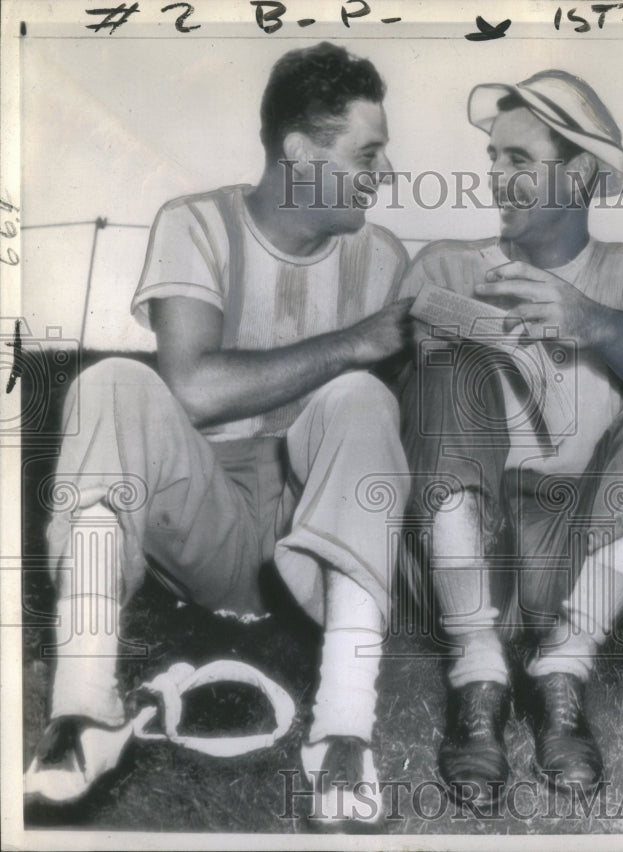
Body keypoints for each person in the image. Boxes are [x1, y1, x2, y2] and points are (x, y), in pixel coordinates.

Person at [24, 42, 412, 830]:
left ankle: (343, 727)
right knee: (110, 382)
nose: (385, 173)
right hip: (208, 521)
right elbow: (192, 389)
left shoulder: (385, 258)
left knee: (365, 397)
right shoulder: (195, 222)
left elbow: (376, 431)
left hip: (316, 532)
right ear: (301, 152)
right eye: (369, 153)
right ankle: (83, 710)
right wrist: (354, 342)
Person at [399, 70, 623, 806]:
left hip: (577, 556)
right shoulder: (446, 262)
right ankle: (477, 676)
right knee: (447, 365)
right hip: (458, 551)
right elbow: (396, 404)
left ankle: (563, 667)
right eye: (494, 159)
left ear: (578, 175)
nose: (496, 178)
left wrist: (590, 322)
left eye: (518, 161)